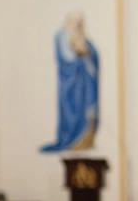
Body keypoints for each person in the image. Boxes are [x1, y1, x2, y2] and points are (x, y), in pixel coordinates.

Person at [40, 10, 99, 152]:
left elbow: (94, 56)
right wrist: (76, 54)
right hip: (70, 84)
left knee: (85, 110)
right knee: (69, 109)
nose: (78, 25)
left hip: (84, 86)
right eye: (76, 22)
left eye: (81, 22)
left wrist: (86, 52)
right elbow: (63, 59)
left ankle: (85, 141)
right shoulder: (61, 36)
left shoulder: (85, 39)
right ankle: (68, 139)